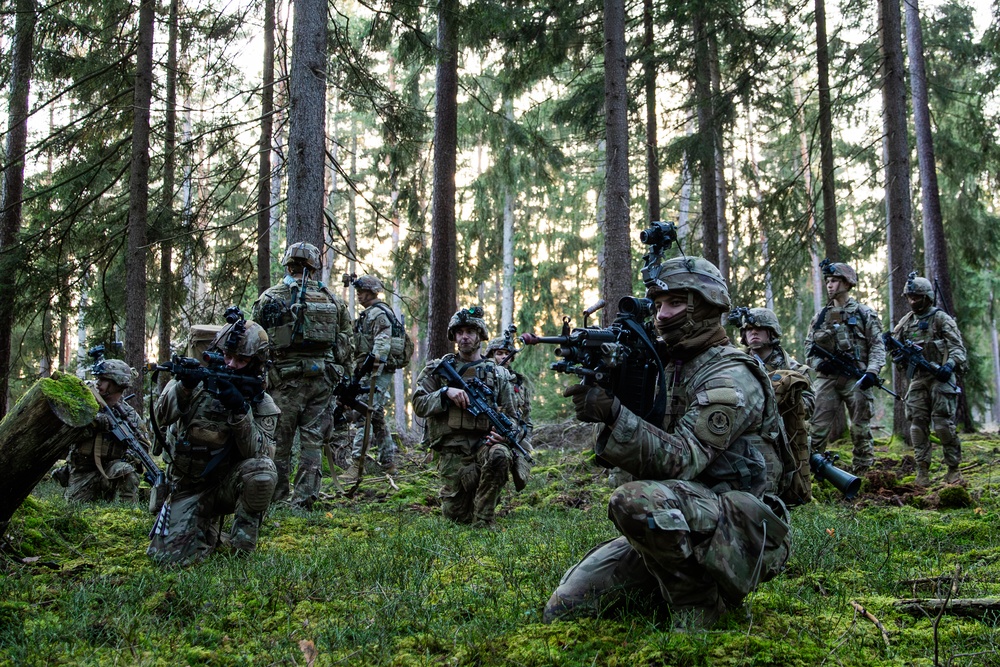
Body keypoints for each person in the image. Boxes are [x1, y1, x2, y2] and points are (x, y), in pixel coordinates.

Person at [544, 256, 790, 627]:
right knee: (565, 607)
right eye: (658, 305)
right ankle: (674, 575)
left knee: (634, 500)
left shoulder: (731, 372)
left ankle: (702, 606)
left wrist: (614, 414)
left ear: (706, 306)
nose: (661, 315)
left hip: (738, 528)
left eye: (675, 303)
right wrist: (615, 395)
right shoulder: (667, 368)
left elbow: (685, 459)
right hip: (677, 518)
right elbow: (625, 460)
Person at [148, 317, 280, 567]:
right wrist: (183, 389)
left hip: (225, 487)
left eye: (241, 361)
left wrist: (240, 411)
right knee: (169, 561)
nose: (230, 365)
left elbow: (260, 453)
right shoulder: (194, 385)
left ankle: (242, 554)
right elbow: (158, 418)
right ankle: (207, 530)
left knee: (261, 473)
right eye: (227, 356)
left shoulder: (260, 403)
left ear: (256, 365)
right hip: (187, 487)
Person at [252, 241, 353, 509]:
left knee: (278, 443)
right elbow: (346, 344)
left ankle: (274, 499)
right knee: (312, 442)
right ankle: (305, 500)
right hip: (322, 381)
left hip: (284, 381)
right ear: (314, 266)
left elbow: (256, 342)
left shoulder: (270, 297)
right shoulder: (333, 300)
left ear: (287, 264)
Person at [411, 307, 519, 526]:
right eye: (460, 332)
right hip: (452, 452)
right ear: (454, 336)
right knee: (456, 516)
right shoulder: (437, 369)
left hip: (483, 446)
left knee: (500, 455)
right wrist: (445, 393)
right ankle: (470, 503)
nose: (465, 337)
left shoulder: (498, 373)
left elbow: (513, 416)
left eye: (470, 331)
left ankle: (484, 520)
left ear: (480, 334)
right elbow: (419, 404)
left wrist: (504, 436)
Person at [805, 261, 886, 475]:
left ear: (847, 283)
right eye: (828, 281)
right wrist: (819, 364)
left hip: (856, 379)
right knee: (816, 428)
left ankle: (864, 472)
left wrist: (872, 371)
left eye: (834, 281)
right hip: (827, 379)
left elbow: (878, 345)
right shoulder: (820, 317)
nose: (829, 286)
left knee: (860, 428)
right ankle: (812, 474)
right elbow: (809, 348)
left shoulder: (863, 313)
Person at [890, 273, 967, 486]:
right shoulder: (906, 323)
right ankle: (922, 471)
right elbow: (895, 350)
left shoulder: (941, 319)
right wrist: (898, 357)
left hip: (941, 377)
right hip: (918, 378)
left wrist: (949, 366)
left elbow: (958, 348)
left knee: (943, 425)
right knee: (917, 425)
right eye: (910, 297)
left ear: (927, 297)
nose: (913, 301)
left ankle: (953, 468)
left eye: (917, 297)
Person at [61, 359, 151, 503]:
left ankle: (126, 515)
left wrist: (130, 456)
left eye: (103, 380)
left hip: (112, 470)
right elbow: (65, 434)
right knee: (75, 510)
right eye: (98, 379)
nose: (98, 383)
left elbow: (143, 446)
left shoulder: (130, 416)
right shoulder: (86, 406)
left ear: (117, 383)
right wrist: (93, 422)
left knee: (127, 472)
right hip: (83, 470)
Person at [341, 275, 398, 481]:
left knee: (363, 414)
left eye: (361, 292)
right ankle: (388, 462)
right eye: (357, 292)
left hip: (376, 371)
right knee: (376, 415)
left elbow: (382, 344)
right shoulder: (369, 314)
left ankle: (357, 465)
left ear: (372, 292)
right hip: (369, 369)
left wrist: (371, 371)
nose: (358, 295)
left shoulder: (379, 314)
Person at [484, 334, 534, 448]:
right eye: (499, 353)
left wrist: (522, 437)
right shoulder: (484, 378)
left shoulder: (519, 383)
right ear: (491, 355)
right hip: (490, 438)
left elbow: (527, 417)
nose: (504, 357)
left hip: (516, 438)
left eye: (507, 354)